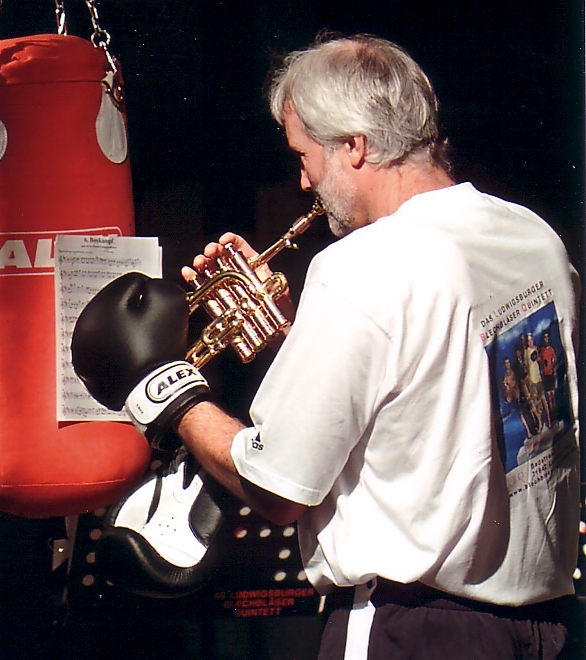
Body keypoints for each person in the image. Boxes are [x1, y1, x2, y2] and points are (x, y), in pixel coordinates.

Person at [71, 34, 580, 658]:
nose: (304, 179)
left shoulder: (361, 267)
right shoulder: (533, 238)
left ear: (354, 146)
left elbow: (279, 487)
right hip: (546, 628)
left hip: (410, 628)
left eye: (304, 154)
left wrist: (166, 389)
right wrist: (301, 336)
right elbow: (448, 386)